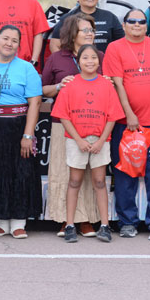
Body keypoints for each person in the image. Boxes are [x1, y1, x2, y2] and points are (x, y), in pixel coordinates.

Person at [103, 9, 150, 240]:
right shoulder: (115, 48)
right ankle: (127, 222)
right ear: (124, 24)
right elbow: (117, 85)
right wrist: (129, 114)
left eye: (142, 21)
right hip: (126, 123)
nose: (137, 25)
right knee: (125, 174)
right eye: (133, 21)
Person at [0, 25, 42, 239]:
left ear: (19, 46)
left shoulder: (26, 68)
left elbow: (35, 102)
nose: (9, 43)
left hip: (18, 125)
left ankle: (19, 222)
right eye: (5, 38)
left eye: (14, 40)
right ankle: (1, 222)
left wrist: (28, 135)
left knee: (20, 172)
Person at [52, 44, 124, 243]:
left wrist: (101, 140)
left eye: (93, 58)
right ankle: (69, 225)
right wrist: (78, 140)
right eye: (85, 58)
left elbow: (112, 117)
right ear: (78, 62)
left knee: (100, 182)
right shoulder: (70, 85)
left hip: (100, 140)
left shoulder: (106, 85)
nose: (90, 61)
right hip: (77, 140)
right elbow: (63, 116)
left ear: (99, 62)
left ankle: (104, 225)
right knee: (74, 181)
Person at [42, 13, 102, 238]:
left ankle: (85, 219)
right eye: (84, 30)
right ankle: (64, 219)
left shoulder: (100, 56)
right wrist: (58, 86)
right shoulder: (57, 58)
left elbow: (109, 88)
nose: (89, 34)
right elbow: (42, 89)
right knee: (63, 171)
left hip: (93, 124)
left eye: (91, 30)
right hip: (63, 124)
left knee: (88, 173)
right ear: (72, 34)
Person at [47, 0, 123, 54]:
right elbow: (54, 45)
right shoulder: (67, 18)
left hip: (105, 64)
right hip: (75, 64)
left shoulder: (110, 17)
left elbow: (122, 43)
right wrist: (67, 64)